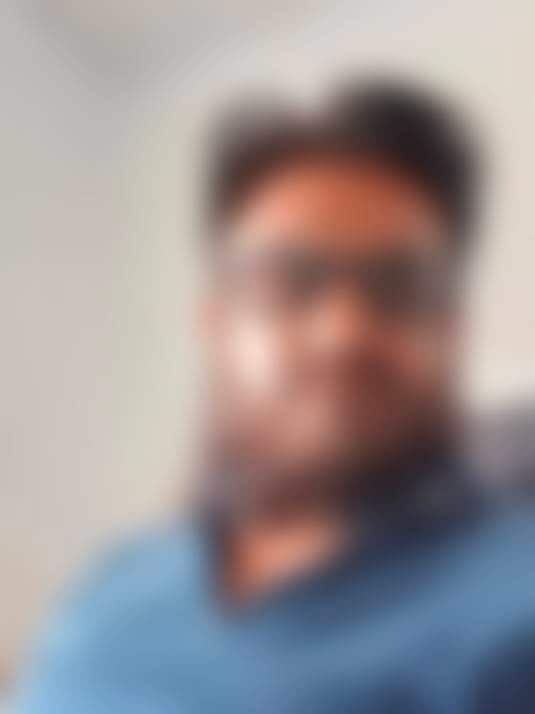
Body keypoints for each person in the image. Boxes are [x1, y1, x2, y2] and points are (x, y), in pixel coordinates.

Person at [13, 79, 535, 713]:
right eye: (293, 280)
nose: (344, 332)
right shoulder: (114, 581)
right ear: (217, 323)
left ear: (452, 331)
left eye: (398, 287)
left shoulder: (514, 601)